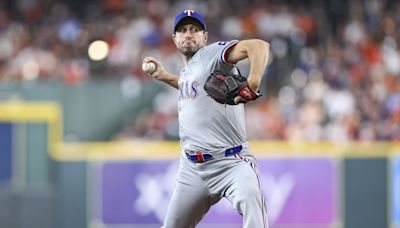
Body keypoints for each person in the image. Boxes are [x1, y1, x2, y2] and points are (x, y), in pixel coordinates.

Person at [143, 9, 270, 228]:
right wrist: (165, 77)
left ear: (205, 37)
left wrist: (253, 83)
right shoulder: (188, 69)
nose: (188, 34)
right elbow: (194, 87)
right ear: (174, 39)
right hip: (192, 170)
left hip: (231, 162)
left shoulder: (212, 54)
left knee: (252, 203)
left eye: (194, 29)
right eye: (182, 30)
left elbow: (259, 46)